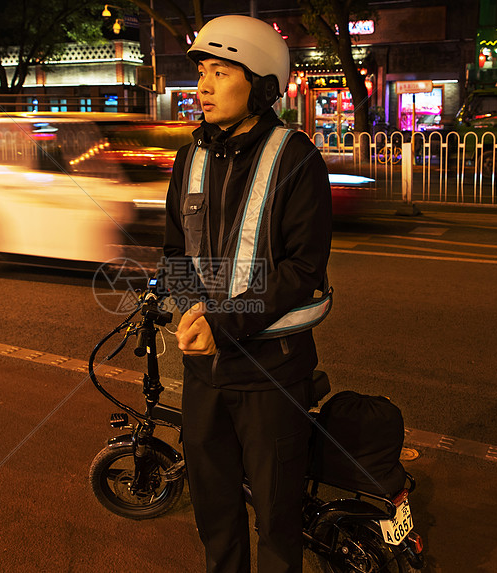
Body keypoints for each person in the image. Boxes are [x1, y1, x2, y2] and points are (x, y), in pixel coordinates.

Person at [163, 15, 332, 573]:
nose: (203, 87)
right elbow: (175, 254)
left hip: (271, 373)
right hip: (204, 374)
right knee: (215, 513)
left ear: (259, 84)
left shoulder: (296, 157)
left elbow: (302, 267)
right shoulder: (190, 157)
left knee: (278, 520)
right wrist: (187, 308)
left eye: (221, 72)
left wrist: (224, 320)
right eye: (201, 73)